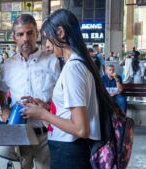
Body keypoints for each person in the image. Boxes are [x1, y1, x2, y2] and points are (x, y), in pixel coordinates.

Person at [22, 9, 102, 169]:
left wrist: (42, 114)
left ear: (60, 32)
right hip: (69, 148)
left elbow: (81, 129)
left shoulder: (73, 68)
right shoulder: (79, 64)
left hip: (69, 152)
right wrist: (45, 107)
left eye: (47, 38)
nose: (47, 46)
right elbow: (71, 112)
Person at [0, 14, 60, 169]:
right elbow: (1, 91)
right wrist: (4, 108)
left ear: (37, 34)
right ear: (14, 37)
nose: (25, 38)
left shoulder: (52, 62)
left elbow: (61, 98)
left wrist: (45, 107)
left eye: (29, 33)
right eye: (20, 34)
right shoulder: (7, 65)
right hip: (19, 135)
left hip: (46, 134)